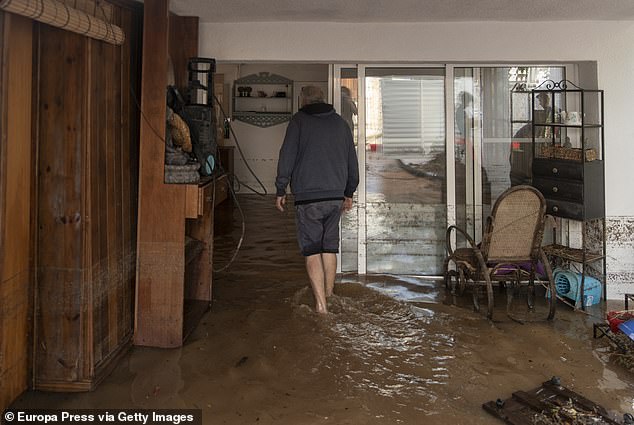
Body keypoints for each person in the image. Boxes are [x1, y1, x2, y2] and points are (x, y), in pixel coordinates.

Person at [275, 86, 359, 314]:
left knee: (312, 250)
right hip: (335, 198)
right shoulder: (341, 124)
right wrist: (349, 192)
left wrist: (280, 189)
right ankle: (330, 296)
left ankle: (321, 307)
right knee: (329, 248)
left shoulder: (298, 122)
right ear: (323, 100)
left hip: (308, 198)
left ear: (303, 101)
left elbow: (287, 156)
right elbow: (352, 160)